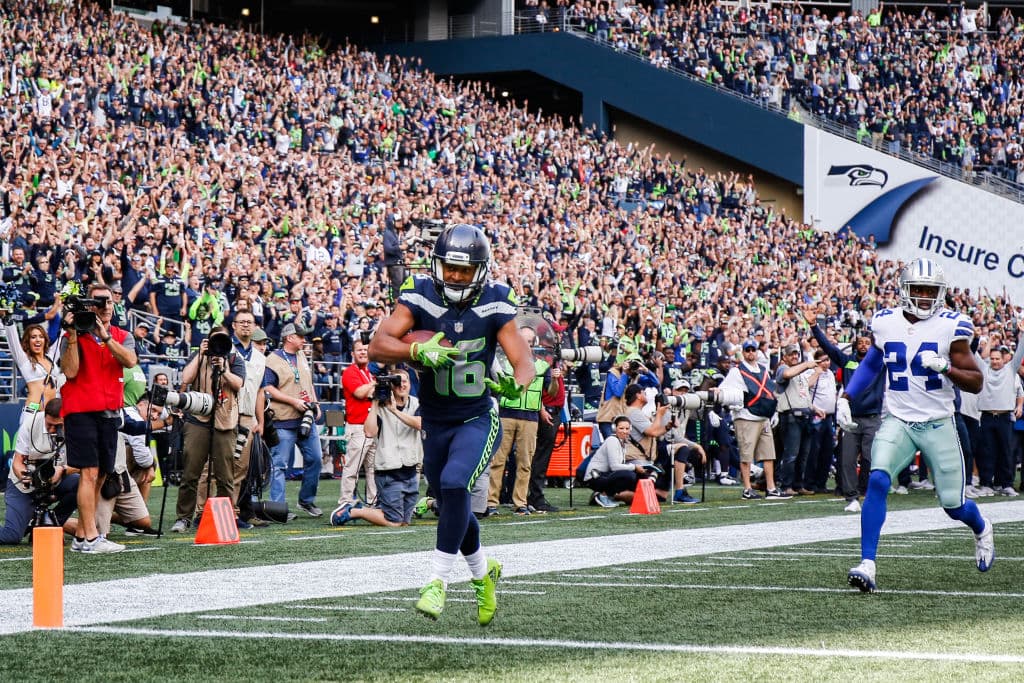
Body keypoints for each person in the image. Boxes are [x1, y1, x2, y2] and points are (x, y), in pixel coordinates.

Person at [369, 223, 534, 625]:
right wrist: (415, 348)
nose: (456, 277)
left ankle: (437, 581)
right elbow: (377, 344)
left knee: (456, 484)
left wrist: (518, 382)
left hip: (477, 415)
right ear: (438, 264)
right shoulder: (420, 293)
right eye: (451, 268)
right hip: (435, 419)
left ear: (481, 270)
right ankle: (483, 574)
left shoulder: (496, 301)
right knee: (449, 502)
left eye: (465, 270)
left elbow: (523, 360)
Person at [845, 258, 988, 593]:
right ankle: (868, 564)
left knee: (953, 505)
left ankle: (981, 527)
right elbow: (871, 363)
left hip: (938, 422)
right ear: (904, 290)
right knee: (878, 478)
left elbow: (977, 382)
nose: (924, 297)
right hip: (898, 419)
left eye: (931, 290)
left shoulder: (953, 326)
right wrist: (846, 396)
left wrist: (946, 369)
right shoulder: (884, 322)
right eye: (918, 289)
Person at [60, 283, 137, 553]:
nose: (105, 307)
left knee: (102, 474)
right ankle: (92, 537)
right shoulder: (75, 335)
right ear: (87, 305)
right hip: (81, 410)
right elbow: (70, 372)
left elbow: (130, 361)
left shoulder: (120, 335)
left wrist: (105, 337)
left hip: (109, 411)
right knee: (89, 473)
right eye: (98, 302)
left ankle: (82, 535)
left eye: (108, 302)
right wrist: (70, 333)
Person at [803, 305, 885, 512]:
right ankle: (851, 496)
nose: (864, 345)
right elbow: (828, 348)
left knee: (870, 457)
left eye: (868, 342)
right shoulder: (847, 361)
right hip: (850, 417)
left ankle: (866, 490)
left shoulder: (879, 363)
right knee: (847, 458)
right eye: (861, 342)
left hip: (872, 417)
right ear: (855, 345)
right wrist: (813, 326)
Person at [170, 326, 246, 533]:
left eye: (221, 341)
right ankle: (183, 518)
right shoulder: (200, 355)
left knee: (225, 476)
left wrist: (224, 369)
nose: (217, 346)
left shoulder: (233, 358)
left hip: (225, 421)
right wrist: (201, 354)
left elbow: (239, 384)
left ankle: (226, 518)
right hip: (198, 419)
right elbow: (185, 379)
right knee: (190, 473)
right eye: (214, 341)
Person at [332, 369, 422, 527]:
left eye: (405, 381)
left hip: (411, 470)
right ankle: (354, 510)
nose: (402, 385)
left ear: (410, 383)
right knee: (395, 522)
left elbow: (419, 424)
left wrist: (394, 411)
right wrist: (374, 404)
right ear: (391, 387)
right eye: (397, 382)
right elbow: (369, 432)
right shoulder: (380, 408)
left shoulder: (416, 403)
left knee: (404, 522)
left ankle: (372, 508)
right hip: (389, 472)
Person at [486, 325, 553, 516]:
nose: (526, 344)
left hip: (530, 417)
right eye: (523, 340)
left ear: (534, 344)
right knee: (498, 460)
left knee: (525, 462)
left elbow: (550, 391)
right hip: (506, 413)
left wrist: (555, 380)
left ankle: (520, 502)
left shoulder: (542, 365)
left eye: (529, 341)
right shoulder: (502, 362)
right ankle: (491, 502)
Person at [713, 339, 790, 500]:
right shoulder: (737, 370)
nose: (750, 353)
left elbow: (769, 392)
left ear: (756, 351)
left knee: (769, 454)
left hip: (763, 417)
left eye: (752, 350)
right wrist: (718, 391)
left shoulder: (763, 369)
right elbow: (725, 388)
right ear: (744, 352)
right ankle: (747, 488)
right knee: (746, 455)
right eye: (747, 350)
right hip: (746, 416)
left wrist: (773, 411)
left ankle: (771, 488)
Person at [263, 322, 323, 517]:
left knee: (315, 459)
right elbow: (268, 389)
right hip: (283, 420)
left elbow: (308, 382)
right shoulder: (272, 359)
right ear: (289, 337)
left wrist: (316, 404)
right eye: (300, 336)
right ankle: (278, 509)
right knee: (279, 464)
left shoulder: (301, 356)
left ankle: (306, 501)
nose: (304, 340)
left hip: (306, 417)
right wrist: (293, 401)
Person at [1, 398, 80, 545]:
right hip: (25, 486)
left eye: (57, 426)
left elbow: (86, 465)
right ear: (44, 415)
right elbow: (17, 461)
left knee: (80, 484)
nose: (51, 429)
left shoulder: (78, 427)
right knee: (10, 537)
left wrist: (61, 470)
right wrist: (23, 475)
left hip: (56, 480)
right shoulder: (30, 423)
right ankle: (31, 524)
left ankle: (49, 526)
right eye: (49, 424)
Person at [972, 325, 1024, 497]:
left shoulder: (1010, 370)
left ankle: (1005, 484)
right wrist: (982, 340)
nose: (994, 361)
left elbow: (1019, 353)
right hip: (986, 417)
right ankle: (986, 484)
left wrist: (1022, 333)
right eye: (992, 358)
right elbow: (976, 356)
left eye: (997, 359)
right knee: (987, 451)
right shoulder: (984, 369)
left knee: (1005, 451)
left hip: (1004, 418)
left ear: (1004, 360)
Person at [339, 338, 377, 508]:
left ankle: (373, 502)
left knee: (373, 469)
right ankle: (345, 502)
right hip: (357, 426)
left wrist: (371, 386)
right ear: (353, 354)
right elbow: (360, 393)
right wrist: (374, 384)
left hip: (373, 426)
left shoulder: (370, 372)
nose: (363, 352)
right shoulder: (349, 372)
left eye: (365, 349)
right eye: (359, 350)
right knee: (352, 468)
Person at [581, 415, 650, 507]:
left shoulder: (621, 442)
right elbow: (614, 466)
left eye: (627, 428)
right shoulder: (612, 441)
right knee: (628, 475)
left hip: (603, 475)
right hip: (595, 477)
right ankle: (603, 496)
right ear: (614, 428)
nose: (624, 431)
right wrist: (634, 467)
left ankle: (608, 495)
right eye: (621, 428)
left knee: (639, 475)